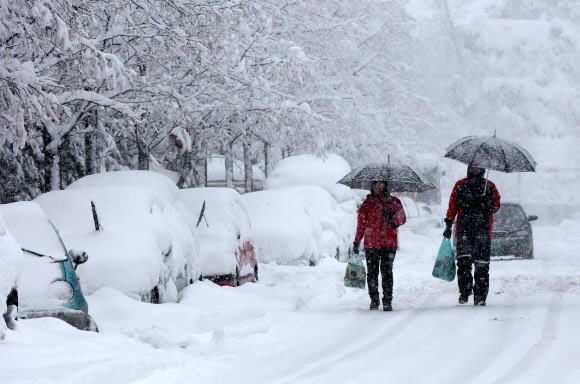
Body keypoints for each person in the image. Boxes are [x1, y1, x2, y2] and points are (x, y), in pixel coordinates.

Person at [443, 166, 501, 306]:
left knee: (482, 266)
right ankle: (465, 290)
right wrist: (448, 224)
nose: (475, 170)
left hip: (483, 231)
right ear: (469, 168)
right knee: (463, 263)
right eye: (473, 167)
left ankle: (480, 296)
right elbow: (452, 206)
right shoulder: (460, 185)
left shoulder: (490, 186)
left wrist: (489, 204)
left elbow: (497, 204)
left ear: (483, 169)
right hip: (464, 230)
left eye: (478, 167)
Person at [353, 181, 406, 311]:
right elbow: (361, 225)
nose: (378, 187)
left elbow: (402, 218)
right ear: (372, 186)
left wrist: (392, 219)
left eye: (381, 184)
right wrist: (357, 241)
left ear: (385, 186)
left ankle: (387, 300)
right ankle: (374, 299)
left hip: (389, 244)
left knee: (387, 273)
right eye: (376, 184)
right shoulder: (367, 204)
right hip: (371, 244)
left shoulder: (394, 202)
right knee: (372, 273)